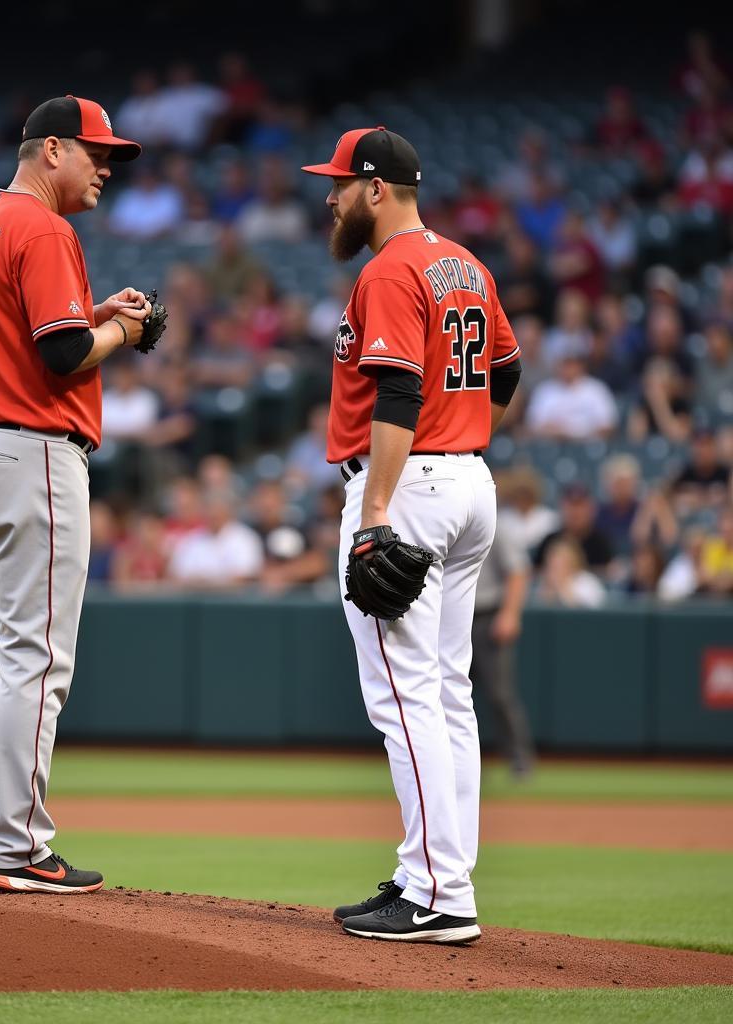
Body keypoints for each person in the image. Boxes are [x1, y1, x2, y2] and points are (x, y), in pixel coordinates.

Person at [301, 126, 522, 943]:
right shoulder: (465, 262)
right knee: (448, 692)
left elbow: (396, 391)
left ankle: (436, 892)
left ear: (375, 188)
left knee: (405, 700)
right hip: (467, 482)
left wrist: (378, 511)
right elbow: (507, 371)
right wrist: (464, 440)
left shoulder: (391, 268)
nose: (329, 196)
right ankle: (435, 872)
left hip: (412, 486)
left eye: (338, 183)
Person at [0, 95, 152, 897]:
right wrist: (126, 332)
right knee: (37, 654)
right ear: (50, 148)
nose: (105, 167)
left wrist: (95, 318)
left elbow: (28, 335)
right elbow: (62, 356)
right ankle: (19, 847)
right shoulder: (45, 227)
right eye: (95, 153)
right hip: (30, 455)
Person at [469, 516, 535, 779]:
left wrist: (510, 613)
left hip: (487, 616)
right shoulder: (442, 517)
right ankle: (455, 760)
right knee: (446, 694)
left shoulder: (492, 522)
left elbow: (518, 571)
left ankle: (519, 758)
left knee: (500, 694)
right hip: (450, 618)